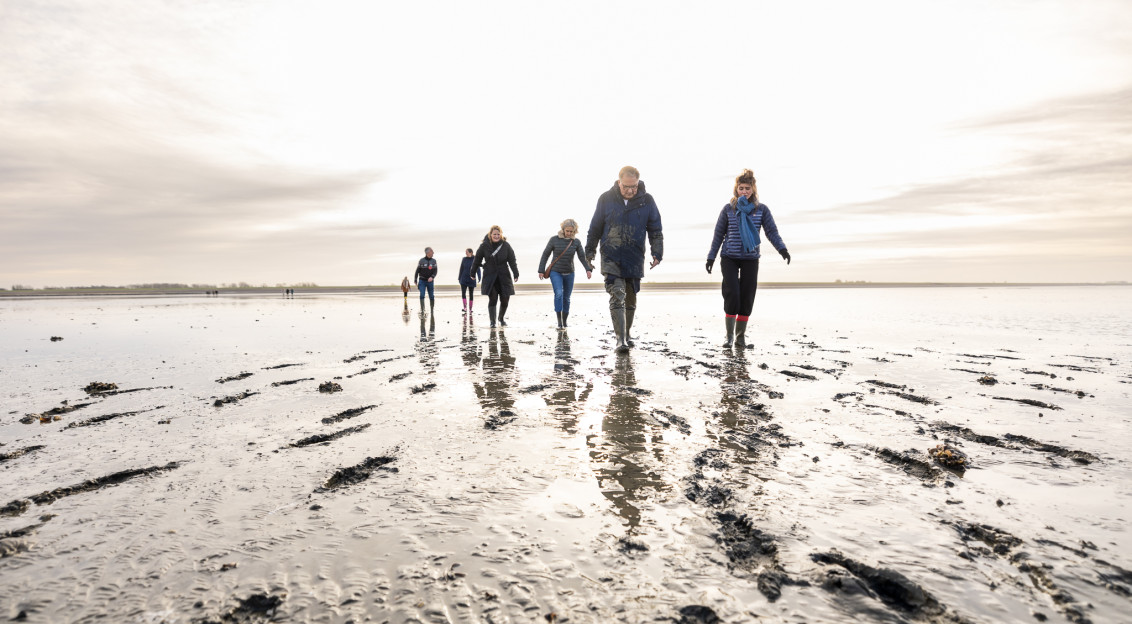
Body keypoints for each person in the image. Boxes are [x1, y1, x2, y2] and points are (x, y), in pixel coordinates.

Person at [705, 169, 791, 348]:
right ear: (736, 189)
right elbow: (718, 234)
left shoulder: (761, 210)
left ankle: (740, 337)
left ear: (753, 189)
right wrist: (711, 257)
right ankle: (729, 336)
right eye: (741, 188)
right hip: (729, 257)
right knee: (733, 295)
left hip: (751, 258)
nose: (744, 191)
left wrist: (782, 249)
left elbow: (771, 232)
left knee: (747, 297)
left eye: (747, 188)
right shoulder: (728, 209)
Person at [584, 166, 663, 353]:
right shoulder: (606, 199)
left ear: (638, 183)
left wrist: (657, 253)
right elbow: (594, 228)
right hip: (611, 255)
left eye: (634, 187)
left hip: (634, 256)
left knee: (630, 298)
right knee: (617, 294)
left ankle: (626, 333)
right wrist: (589, 254)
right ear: (619, 182)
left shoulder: (647, 201)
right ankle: (620, 340)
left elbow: (655, 229)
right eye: (626, 186)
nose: (630, 190)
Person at [538, 218, 593, 329]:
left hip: (569, 273)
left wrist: (588, 269)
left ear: (574, 231)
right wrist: (541, 270)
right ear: (563, 229)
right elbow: (545, 254)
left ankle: (565, 321)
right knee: (559, 293)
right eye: (567, 231)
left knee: (566, 298)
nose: (569, 233)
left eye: (571, 231)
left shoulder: (576, 242)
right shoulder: (554, 240)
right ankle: (559, 323)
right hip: (555, 272)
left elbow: (582, 257)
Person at [473, 225, 519, 328]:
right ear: (490, 234)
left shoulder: (506, 245)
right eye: (494, 234)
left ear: (501, 234)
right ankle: (492, 322)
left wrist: (515, 273)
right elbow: (477, 260)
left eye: (498, 234)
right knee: (493, 298)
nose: (496, 236)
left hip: (504, 275)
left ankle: (501, 318)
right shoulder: (484, 246)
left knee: (505, 299)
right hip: (490, 276)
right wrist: (472, 273)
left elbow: (512, 260)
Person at [414, 247, 437, 314]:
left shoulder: (434, 261)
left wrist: (432, 277)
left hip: (430, 282)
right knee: (422, 295)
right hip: (422, 281)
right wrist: (415, 280)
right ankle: (422, 310)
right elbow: (417, 270)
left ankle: (432, 310)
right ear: (428, 253)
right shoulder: (421, 261)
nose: (433, 253)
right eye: (432, 251)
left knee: (431, 296)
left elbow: (435, 271)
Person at [458, 247, 481, 314]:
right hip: (464, 278)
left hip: (472, 279)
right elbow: (461, 269)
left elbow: (478, 269)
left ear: (470, 252)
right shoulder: (464, 259)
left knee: (471, 294)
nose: (465, 253)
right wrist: (459, 278)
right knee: (463, 293)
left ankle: (470, 309)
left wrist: (479, 277)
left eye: (467, 252)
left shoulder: (475, 259)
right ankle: (465, 308)